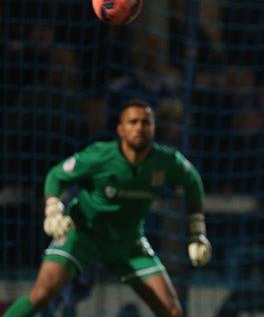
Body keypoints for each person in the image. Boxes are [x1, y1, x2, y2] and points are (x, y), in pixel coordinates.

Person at [4, 99, 212, 317]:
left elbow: (192, 182)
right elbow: (57, 175)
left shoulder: (166, 161)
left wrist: (197, 230)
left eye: (146, 122)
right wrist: (53, 209)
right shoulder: (100, 156)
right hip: (83, 235)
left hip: (129, 242)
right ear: (120, 129)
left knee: (172, 311)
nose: (139, 127)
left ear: (153, 128)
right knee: (41, 294)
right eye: (132, 122)